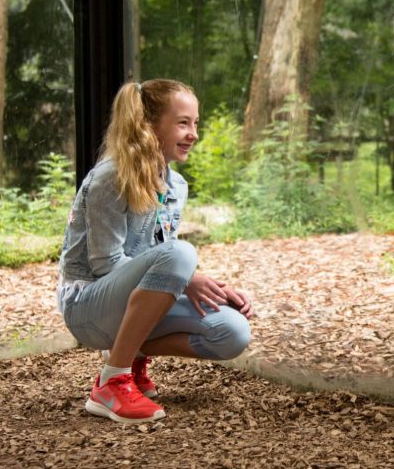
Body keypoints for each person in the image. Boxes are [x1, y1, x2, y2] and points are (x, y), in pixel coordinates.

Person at [57, 79, 253, 423]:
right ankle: (112, 382)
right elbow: (106, 265)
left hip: (130, 301)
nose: (193, 133)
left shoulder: (176, 185)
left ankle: (131, 354)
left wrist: (205, 286)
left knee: (233, 332)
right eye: (182, 123)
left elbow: (160, 262)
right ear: (149, 126)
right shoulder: (111, 177)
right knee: (181, 253)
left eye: (195, 124)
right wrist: (186, 276)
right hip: (88, 306)